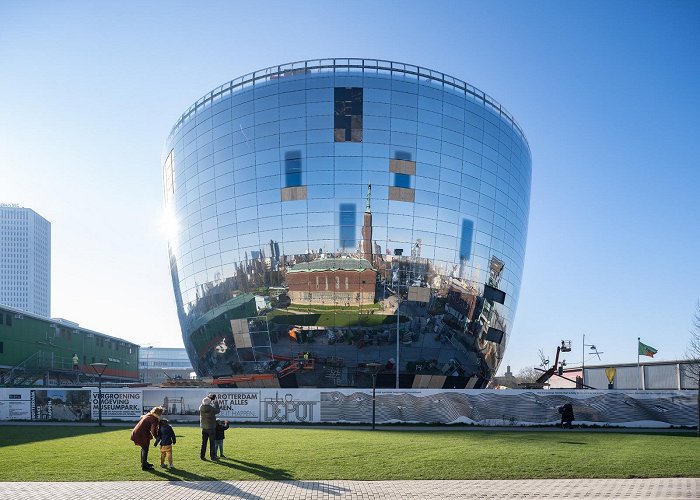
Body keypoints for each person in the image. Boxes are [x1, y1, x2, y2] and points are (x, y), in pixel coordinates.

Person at [130, 406, 163, 470]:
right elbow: (153, 430)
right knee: (145, 449)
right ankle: (144, 466)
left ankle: (144, 463)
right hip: (141, 434)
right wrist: (157, 438)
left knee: (144, 448)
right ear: (159, 413)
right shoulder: (154, 419)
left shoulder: (149, 415)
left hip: (137, 433)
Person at [199, 394, 220, 460]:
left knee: (203, 443)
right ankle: (212, 457)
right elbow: (217, 411)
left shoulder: (201, 408)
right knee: (212, 443)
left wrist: (208, 398)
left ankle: (202, 456)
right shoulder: (211, 409)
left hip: (204, 428)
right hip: (211, 427)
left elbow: (204, 402)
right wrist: (216, 403)